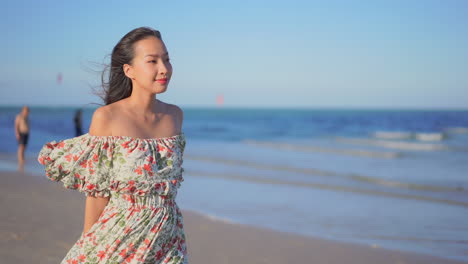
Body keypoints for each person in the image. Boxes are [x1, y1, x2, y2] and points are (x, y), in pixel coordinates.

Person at [37, 27, 188, 263]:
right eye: (152, 61)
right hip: (119, 240)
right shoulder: (107, 118)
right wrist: (89, 244)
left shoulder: (175, 116)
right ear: (129, 70)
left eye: (167, 59)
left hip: (168, 241)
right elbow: (98, 193)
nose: (164, 68)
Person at [15, 105, 30, 171]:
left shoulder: (26, 117)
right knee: (21, 147)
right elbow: (16, 126)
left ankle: (22, 159)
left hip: (26, 134)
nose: (27, 112)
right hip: (21, 133)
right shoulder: (19, 116)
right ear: (23, 110)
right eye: (26, 110)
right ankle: (20, 160)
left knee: (24, 147)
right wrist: (17, 133)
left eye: (28, 110)